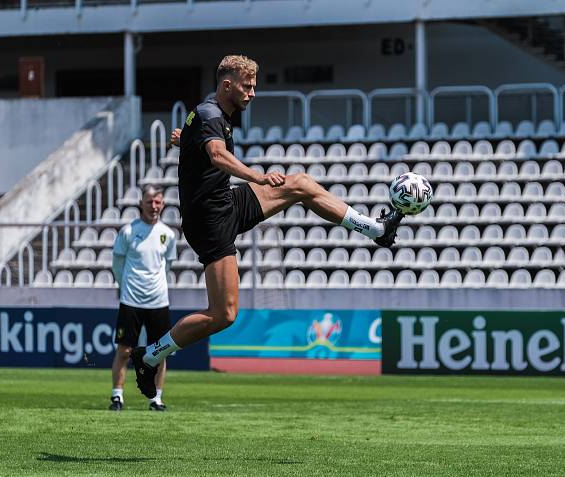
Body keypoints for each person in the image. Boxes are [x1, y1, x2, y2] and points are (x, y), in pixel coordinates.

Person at [129, 54, 404, 398]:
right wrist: (256, 175)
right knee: (224, 314)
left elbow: (201, 142)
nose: (253, 93)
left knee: (300, 184)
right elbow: (216, 155)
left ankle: (374, 229)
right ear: (227, 85)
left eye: (255, 86)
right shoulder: (212, 113)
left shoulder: (210, 115)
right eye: (247, 86)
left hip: (226, 203)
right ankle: (149, 356)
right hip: (208, 221)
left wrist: (183, 139)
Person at [110, 184, 177, 410]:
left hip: (158, 301)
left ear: (163, 204)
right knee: (125, 350)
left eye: (158, 202)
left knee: (160, 352)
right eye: (149, 201)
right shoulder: (128, 231)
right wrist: (125, 287)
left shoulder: (168, 235)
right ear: (141, 204)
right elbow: (117, 263)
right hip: (131, 300)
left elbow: (167, 266)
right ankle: (117, 396)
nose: (154, 206)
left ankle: (155, 398)